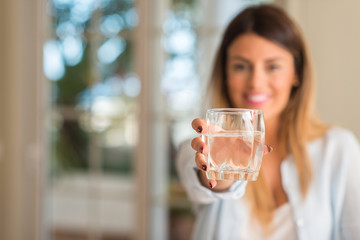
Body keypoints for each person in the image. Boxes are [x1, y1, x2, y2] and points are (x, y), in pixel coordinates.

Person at [176, 4, 360, 240]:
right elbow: (201, 183)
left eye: (272, 66)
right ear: (225, 72)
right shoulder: (199, 146)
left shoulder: (338, 149)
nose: (255, 82)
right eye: (241, 66)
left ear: (297, 73)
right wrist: (220, 176)